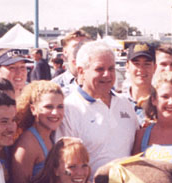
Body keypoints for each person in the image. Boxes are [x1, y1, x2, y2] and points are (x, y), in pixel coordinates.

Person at [56, 41, 139, 174]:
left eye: (111, 68)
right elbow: (64, 162)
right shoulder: (69, 109)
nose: (107, 74)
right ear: (81, 72)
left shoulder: (125, 103)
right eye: (100, 69)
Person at [11, 81, 64, 183]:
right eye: (48, 107)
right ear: (33, 109)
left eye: (60, 107)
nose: (55, 112)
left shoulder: (51, 136)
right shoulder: (27, 145)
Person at [121, 42, 156, 124]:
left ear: (155, 67)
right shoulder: (118, 102)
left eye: (147, 64)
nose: (141, 69)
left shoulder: (162, 103)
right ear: (127, 66)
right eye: (136, 64)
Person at [52, 30, 91, 96]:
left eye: (84, 45)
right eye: (76, 45)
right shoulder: (55, 87)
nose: (80, 48)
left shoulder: (100, 83)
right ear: (65, 52)